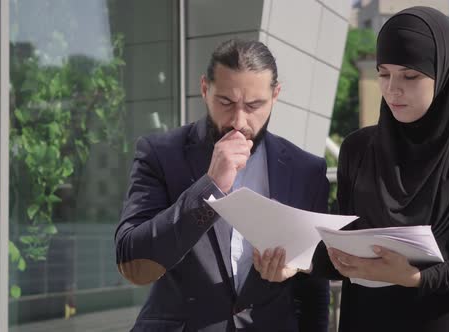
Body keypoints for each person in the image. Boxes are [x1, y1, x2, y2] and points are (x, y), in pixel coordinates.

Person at [254, 6, 449, 332]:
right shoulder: (358, 149)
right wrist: (296, 262)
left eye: (410, 76)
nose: (393, 89)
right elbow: (344, 253)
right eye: (383, 73)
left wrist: (416, 277)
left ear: (444, 73)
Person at [114, 39, 331, 331]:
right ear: (205, 89)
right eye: (226, 102)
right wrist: (210, 186)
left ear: (275, 95)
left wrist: (292, 269)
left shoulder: (306, 170)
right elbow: (132, 261)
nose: (239, 121)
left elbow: (314, 290)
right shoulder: (160, 154)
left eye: (254, 105)